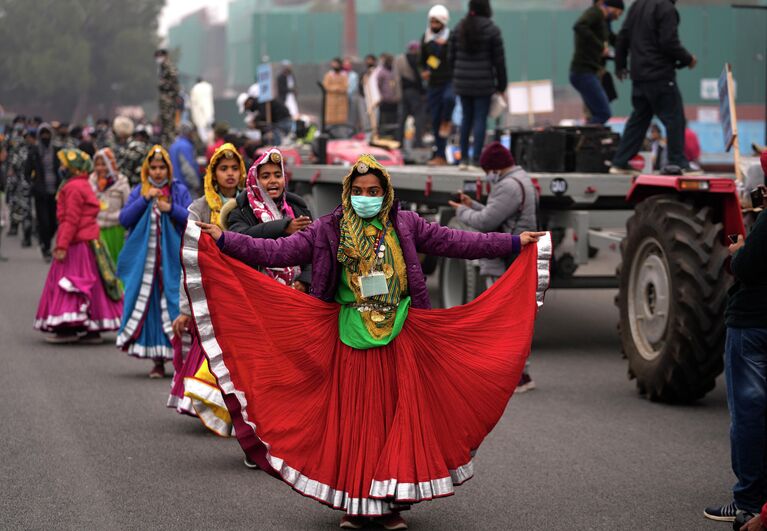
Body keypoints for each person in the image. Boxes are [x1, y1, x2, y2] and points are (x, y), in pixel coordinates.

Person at [190, 153, 549, 529]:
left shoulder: (405, 223)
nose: (367, 196)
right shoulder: (329, 228)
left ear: (386, 192)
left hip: (401, 336)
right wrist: (225, 239)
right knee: (359, 423)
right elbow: (278, 251)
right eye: (359, 190)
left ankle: (389, 502)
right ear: (348, 192)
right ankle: (359, 506)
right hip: (351, 337)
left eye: (374, 190)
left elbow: (457, 241)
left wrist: (514, 242)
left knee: (395, 421)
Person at [705, 151, 767, 525]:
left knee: (748, 416)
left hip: (752, 324)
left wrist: (739, 250)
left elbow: (748, 266)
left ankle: (747, 501)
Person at [169, 142, 246, 434]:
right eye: (222, 169)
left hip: (240, 289)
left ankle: (238, 410)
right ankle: (213, 403)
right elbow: (188, 258)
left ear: (241, 172)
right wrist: (185, 309)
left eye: (233, 168)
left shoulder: (249, 206)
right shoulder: (199, 208)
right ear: (213, 174)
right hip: (210, 291)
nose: (229, 174)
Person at [450, 141, 539, 392]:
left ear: (495, 168)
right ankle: (518, 373)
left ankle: (517, 375)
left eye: (487, 169)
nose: (487, 175)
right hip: (514, 255)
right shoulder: (520, 179)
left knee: (504, 318)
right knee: (512, 317)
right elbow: (498, 213)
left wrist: (462, 214)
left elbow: (487, 222)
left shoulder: (508, 186)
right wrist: (472, 205)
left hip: (506, 257)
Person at [33, 148, 123, 344]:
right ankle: (91, 329)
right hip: (89, 242)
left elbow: (70, 220)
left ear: (73, 168)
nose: (61, 167)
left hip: (77, 245)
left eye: (65, 164)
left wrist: (61, 245)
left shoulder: (72, 188)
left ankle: (70, 327)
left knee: (74, 283)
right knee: (92, 285)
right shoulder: (82, 184)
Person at [116, 145, 191, 378]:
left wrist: (171, 209)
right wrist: (144, 200)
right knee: (153, 311)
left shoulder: (178, 190)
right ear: (147, 169)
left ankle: (182, 360)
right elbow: (124, 219)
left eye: (162, 167)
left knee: (177, 305)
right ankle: (158, 361)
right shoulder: (140, 190)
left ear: (169, 169)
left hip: (173, 262)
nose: (158, 172)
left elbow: (191, 218)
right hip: (146, 265)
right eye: (154, 168)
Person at [609, 0, 698, 175]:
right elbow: (668, 41)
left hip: (639, 76)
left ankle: (619, 162)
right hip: (660, 74)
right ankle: (678, 162)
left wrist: (620, 65)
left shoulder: (637, 6)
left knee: (639, 120)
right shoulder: (666, 8)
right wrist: (688, 59)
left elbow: (623, 37)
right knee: (675, 118)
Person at [226, 147, 313, 291]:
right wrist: (283, 227)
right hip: (258, 292)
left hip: (296, 295)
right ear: (255, 181)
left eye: (278, 175)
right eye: (266, 177)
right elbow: (239, 241)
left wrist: (304, 281)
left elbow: (314, 250)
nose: (273, 181)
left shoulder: (298, 209)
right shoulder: (241, 211)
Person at [449, 0, 507, 170]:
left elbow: (450, 57)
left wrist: (457, 76)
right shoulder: (492, 30)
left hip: (462, 83)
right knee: (480, 119)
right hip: (484, 83)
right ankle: (476, 160)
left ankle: (463, 159)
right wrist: (501, 85)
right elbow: (499, 61)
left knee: (466, 119)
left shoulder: (459, 28)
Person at [569, 0, 624, 125]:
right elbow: (579, 26)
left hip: (589, 73)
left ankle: (586, 139)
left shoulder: (604, 23)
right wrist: (600, 47)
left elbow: (612, 39)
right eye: (618, 13)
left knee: (596, 114)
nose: (617, 17)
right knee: (603, 113)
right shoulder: (596, 13)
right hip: (584, 72)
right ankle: (584, 139)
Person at [421, 4, 455, 166]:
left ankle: (447, 119)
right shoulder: (426, 39)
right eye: (432, 22)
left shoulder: (451, 37)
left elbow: (454, 57)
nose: (434, 26)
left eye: (437, 23)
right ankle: (440, 155)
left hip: (450, 79)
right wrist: (425, 70)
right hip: (433, 83)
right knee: (435, 119)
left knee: (449, 100)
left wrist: (445, 45)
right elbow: (422, 61)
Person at [89, 148, 131, 264]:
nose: (100, 168)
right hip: (95, 231)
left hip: (116, 230)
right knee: (98, 266)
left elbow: (128, 207)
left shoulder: (122, 182)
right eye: (97, 165)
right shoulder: (90, 182)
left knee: (115, 264)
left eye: (104, 164)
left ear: (111, 163)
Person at [26, 123, 61, 262]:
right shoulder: (34, 152)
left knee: (54, 222)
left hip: (55, 191)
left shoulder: (57, 150)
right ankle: (45, 247)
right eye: (43, 134)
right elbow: (26, 172)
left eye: (48, 134)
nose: (45, 137)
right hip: (41, 192)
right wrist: (33, 185)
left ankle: (47, 239)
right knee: (44, 221)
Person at [394, 42, 426, 148]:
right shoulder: (421, 59)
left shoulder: (399, 59)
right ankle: (418, 142)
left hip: (404, 92)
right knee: (418, 118)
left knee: (402, 118)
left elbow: (396, 78)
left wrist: (398, 94)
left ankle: (399, 142)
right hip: (415, 93)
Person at [155, 49, 180, 146]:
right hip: (165, 98)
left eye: (159, 56)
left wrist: (164, 86)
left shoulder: (169, 66)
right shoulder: (162, 67)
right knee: (165, 122)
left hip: (168, 98)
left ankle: (170, 145)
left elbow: (174, 82)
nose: (158, 58)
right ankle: (166, 143)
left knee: (169, 122)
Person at [169, 122, 200, 194]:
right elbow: (187, 168)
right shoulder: (185, 146)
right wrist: (196, 184)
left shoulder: (173, 145)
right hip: (186, 190)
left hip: (175, 187)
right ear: (189, 133)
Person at [376, 54, 401, 137]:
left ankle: (393, 135)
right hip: (385, 100)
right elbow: (378, 85)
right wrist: (380, 96)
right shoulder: (381, 72)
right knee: (384, 120)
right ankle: (383, 135)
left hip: (394, 100)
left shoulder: (395, 71)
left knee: (394, 120)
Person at [323, 57, 349, 127]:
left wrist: (338, 88)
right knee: (330, 119)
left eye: (336, 64)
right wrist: (335, 88)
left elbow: (346, 86)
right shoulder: (328, 75)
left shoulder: (344, 75)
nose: (335, 66)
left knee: (341, 119)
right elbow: (326, 86)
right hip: (331, 100)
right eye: (333, 64)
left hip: (341, 100)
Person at [189, 77, 215, 145]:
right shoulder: (208, 86)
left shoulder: (195, 88)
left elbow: (193, 101)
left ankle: (207, 145)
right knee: (210, 129)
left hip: (199, 113)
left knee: (202, 130)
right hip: (209, 112)